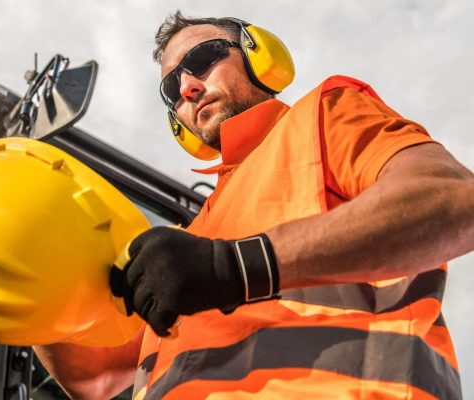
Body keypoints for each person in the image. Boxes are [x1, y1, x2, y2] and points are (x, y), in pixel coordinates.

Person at [34, 11, 474, 399]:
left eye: (203, 60)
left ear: (257, 55)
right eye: (171, 87)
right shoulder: (196, 234)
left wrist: (235, 267)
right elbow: (98, 378)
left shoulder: (324, 114)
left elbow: (454, 199)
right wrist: (29, 288)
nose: (187, 87)